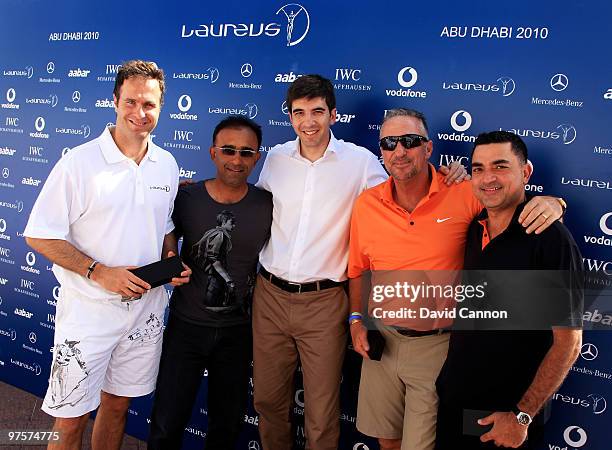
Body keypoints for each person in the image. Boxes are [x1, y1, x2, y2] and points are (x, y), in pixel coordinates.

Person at [252, 77, 467, 450]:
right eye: (299, 113)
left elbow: (405, 189)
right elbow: (256, 209)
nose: (309, 121)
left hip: (324, 301)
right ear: (289, 117)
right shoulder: (275, 159)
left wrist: (453, 178)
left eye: (318, 111)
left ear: (333, 114)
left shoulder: (362, 162)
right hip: (269, 295)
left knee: (321, 411)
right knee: (268, 401)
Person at [347, 109, 565, 450]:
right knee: (386, 440)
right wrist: (357, 320)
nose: (399, 151)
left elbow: (506, 200)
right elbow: (358, 270)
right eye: (389, 143)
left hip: (436, 345)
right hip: (382, 343)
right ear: (382, 151)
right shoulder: (366, 204)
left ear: (428, 148)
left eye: (410, 141)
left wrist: (554, 203)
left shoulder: (463, 192)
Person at [23, 60, 190, 450]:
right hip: (88, 315)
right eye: (131, 102)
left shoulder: (165, 164)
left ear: (161, 107)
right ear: (115, 101)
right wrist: (99, 271)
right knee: (70, 421)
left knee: (117, 408)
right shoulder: (79, 164)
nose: (139, 113)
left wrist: (170, 261)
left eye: (149, 104)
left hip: (145, 311)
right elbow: (39, 236)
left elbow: (164, 224)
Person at [435, 131, 583, 449]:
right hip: (455, 402)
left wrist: (521, 416)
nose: (488, 178)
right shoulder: (474, 227)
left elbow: (568, 342)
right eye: (478, 168)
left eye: (500, 166)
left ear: (525, 172)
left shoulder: (549, 239)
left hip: (504, 418)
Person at [148, 116, 272, 450]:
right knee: (166, 422)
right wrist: (171, 254)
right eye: (228, 150)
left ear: (257, 158)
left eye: (246, 153)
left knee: (226, 426)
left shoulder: (267, 205)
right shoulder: (187, 197)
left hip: (238, 331)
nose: (236, 160)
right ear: (213, 152)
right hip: (186, 327)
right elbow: (163, 227)